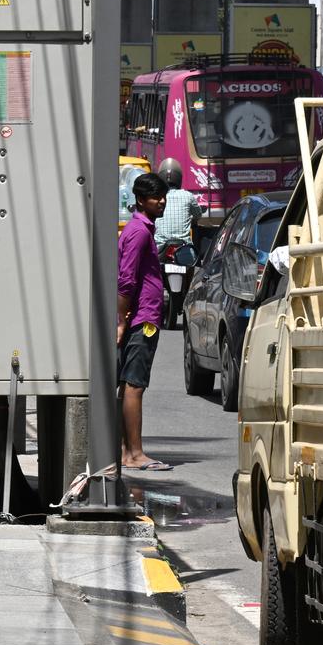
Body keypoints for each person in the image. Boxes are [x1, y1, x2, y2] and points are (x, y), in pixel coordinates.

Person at [117, 172, 174, 471]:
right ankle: (135, 453)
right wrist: (122, 321)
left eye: (163, 196)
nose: (161, 201)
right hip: (142, 318)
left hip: (139, 316)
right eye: (156, 197)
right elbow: (127, 279)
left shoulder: (140, 229)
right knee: (134, 385)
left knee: (129, 384)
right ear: (141, 200)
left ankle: (127, 451)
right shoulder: (139, 232)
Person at [153, 157, 202, 249]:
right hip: (184, 248)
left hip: (159, 248)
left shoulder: (155, 197)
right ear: (179, 178)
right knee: (196, 262)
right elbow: (198, 215)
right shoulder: (188, 196)